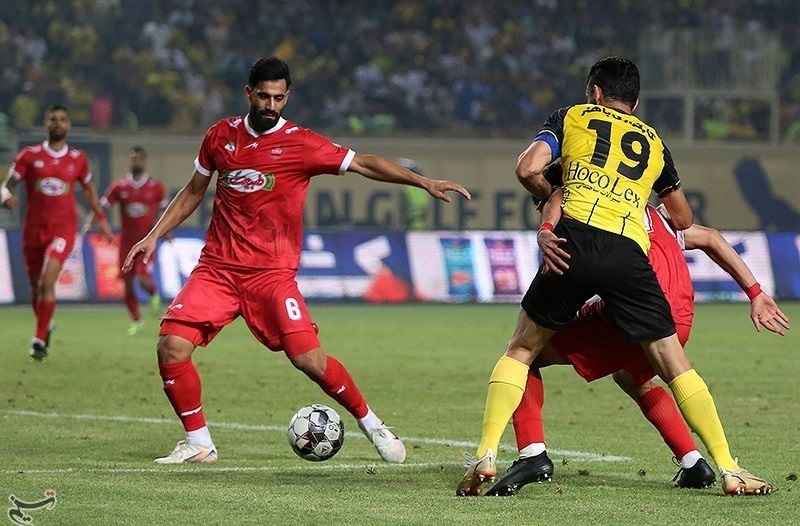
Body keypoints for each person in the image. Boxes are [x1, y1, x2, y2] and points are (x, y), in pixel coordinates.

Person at [122, 56, 471, 464]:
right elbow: (193, 191)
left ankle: (372, 424)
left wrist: (422, 180)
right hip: (218, 268)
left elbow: (363, 163)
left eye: (279, 98)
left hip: (271, 275)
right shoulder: (220, 136)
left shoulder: (301, 143)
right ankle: (199, 442)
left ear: (287, 97)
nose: (271, 105)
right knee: (171, 346)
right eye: (264, 97)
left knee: (309, 359)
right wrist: (153, 235)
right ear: (248, 93)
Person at [457, 57, 769, 496]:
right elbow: (683, 219)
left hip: (575, 239)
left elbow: (527, 168)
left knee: (523, 349)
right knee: (674, 366)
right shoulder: (654, 142)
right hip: (628, 251)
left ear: (595, 92)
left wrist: (552, 196)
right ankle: (729, 468)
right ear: (635, 103)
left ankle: (486, 454)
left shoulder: (572, 117)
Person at [485, 188, 787, 497]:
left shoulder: (591, 214)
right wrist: (755, 292)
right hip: (680, 319)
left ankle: (532, 454)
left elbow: (588, 267)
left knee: (525, 356)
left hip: (640, 312)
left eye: (542, 201)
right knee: (633, 376)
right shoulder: (655, 214)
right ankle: (695, 462)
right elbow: (711, 237)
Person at [0, 104, 112, 361]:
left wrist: (101, 219)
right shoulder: (29, 156)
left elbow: (89, 190)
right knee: (35, 286)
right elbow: (7, 185)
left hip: (62, 229)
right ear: (46, 124)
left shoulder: (78, 159)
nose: (58, 123)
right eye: (53, 119)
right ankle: (45, 323)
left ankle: (39, 339)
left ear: (68, 125)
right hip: (33, 229)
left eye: (63, 119)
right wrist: (4, 196)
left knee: (47, 281)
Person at [89, 146, 169, 335]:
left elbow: (165, 210)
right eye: (133, 159)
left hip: (147, 240)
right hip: (126, 242)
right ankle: (136, 320)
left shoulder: (155, 186)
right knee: (127, 282)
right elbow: (102, 206)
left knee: (142, 277)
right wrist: (93, 221)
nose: (136, 162)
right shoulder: (120, 186)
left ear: (145, 162)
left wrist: (166, 230)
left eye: (139, 159)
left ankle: (154, 295)